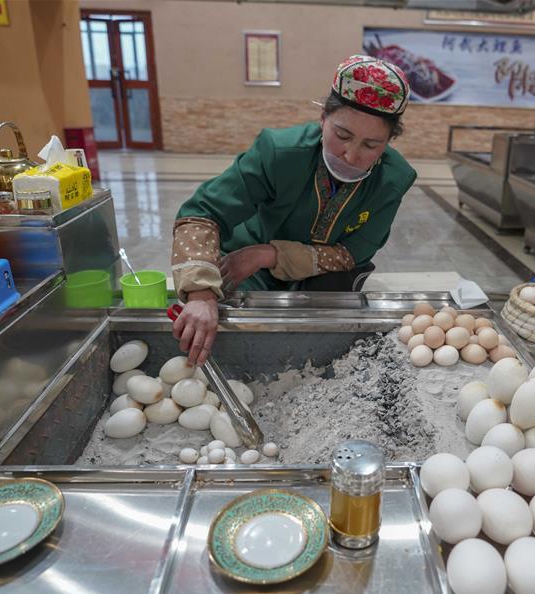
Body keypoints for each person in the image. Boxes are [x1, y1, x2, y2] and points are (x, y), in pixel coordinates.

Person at [171, 54, 417, 364]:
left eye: (371, 145)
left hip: (323, 276)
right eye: (342, 135)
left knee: (322, 352)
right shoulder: (280, 153)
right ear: (323, 118)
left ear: (389, 141)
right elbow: (201, 214)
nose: (351, 155)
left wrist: (269, 254)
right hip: (248, 270)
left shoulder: (392, 181)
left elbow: (352, 254)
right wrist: (200, 294)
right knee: (236, 343)